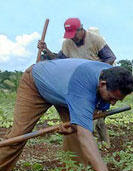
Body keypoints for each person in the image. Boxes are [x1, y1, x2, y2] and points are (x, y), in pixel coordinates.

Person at [0, 58, 133, 171]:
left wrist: (74, 127)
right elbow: (85, 136)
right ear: (102, 84)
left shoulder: (108, 74)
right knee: (18, 136)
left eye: (117, 100)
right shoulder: (83, 87)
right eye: (112, 98)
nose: (112, 103)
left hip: (66, 91)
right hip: (36, 83)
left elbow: (88, 117)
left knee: (77, 131)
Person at [38, 18, 116, 146]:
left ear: (81, 29)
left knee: (94, 118)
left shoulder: (96, 40)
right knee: (94, 119)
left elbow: (110, 58)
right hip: (79, 86)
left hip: (96, 84)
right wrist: (46, 50)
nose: (72, 38)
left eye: (74, 34)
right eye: (70, 35)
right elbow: (59, 61)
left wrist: (96, 74)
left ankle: (94, 148)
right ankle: (102, 146)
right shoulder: (67, 43)